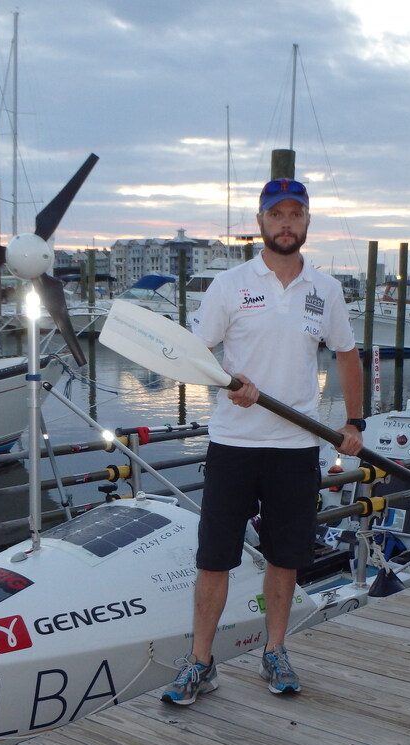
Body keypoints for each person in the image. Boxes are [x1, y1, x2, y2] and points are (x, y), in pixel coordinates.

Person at [162, 177, 364, 705]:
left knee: (285, 556)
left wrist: (354, 422)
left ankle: (275, 652)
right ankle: (200, 662)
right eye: (277, 215)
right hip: (233, 444)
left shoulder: (326, 289)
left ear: (306, 223)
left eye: (296, 215)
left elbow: (346, 354)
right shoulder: (229, 285)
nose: (286, 223)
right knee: (214, 559)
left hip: (297, 447)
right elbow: (194, 356)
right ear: (260, 223)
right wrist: (230, 383)